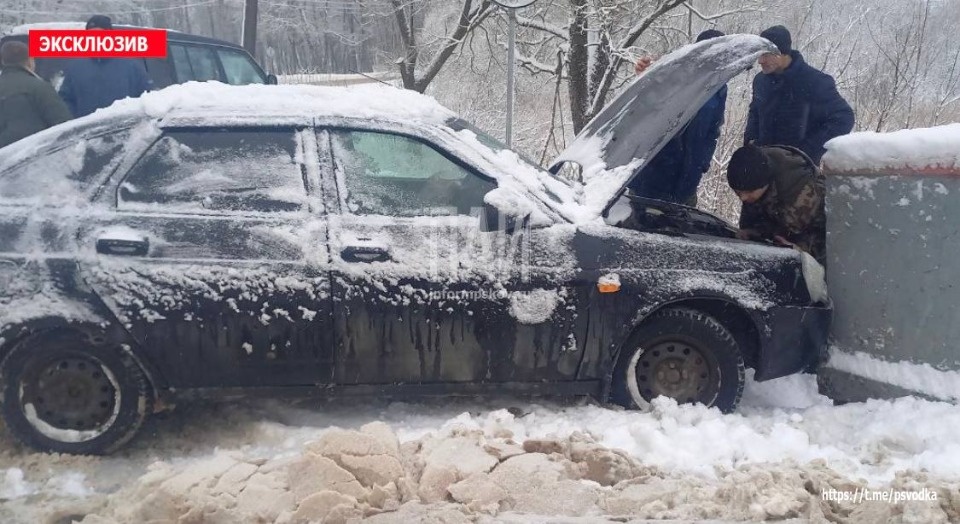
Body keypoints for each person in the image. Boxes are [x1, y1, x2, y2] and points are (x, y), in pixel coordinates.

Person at [629, 29, 727, 206]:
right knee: (639, 227)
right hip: (653, 175)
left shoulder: (719, 86)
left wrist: (701, 163)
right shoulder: (674, 74)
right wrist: (643, 75)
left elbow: (713, 129)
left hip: (687, 182)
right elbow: (644, 107)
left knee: (678, 229)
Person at [745, 25, 854, 165]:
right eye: (759, 55)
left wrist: (805, 152)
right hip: (763, 169)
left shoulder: (814, 81)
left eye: (766, 55)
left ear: (783, 53)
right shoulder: (760, 81)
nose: (760, 61)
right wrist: (751, 143)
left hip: (798, 173)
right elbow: (755, 112)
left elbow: (844, 117)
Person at [726, 143, 826, 264]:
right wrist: (753, 232)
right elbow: (764, 220)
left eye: (749, 192)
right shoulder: (753, 168)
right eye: (738, 192)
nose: (743, 198)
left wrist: (800, 250)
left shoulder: (804, 194)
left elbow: (832, 242)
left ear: (765, 184)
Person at [59, 15, 150, 117]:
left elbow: (146, 99)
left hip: (123, 130)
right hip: (86, 130)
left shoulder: (131, 66)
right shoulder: (76, 67)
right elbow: (65, 100)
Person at [0, 41, 73, 149]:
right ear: (30, 61)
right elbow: (65, 127)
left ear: (3, 61)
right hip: (34, 159)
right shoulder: (41, 88)